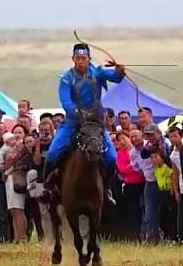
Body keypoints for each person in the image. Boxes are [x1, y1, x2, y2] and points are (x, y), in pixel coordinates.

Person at [44, 42, 125, 202]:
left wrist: (120, 71)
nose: (81, 61)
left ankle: (106, 189)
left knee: (111, 157)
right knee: (53, 152)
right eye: (78, 58)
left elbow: (115, 77)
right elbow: (66, 101)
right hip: (74, 121)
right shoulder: (66, 78)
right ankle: (47, 188)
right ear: (73, 59)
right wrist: (77, 112)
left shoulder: (98, 72)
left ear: (89, 58)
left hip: (95, 122)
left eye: (84, 58)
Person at [115, 132, 144, 241]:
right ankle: (134, 236)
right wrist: (135, 166)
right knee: (133, 211)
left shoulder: (138, 150)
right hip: (130, 185)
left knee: (144, 209)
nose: (122, 142)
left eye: (123, 138)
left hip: (143, 182)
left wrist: (133, 165)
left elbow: (144, 165)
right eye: (119, 140)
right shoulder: (120, 154)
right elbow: (123, 170)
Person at [150, 146, 176, 241]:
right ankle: (166, 236)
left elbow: (173, 175)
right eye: (152, 158)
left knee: (170, 215)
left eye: (156, 157)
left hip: (168, 192)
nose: (154, 160)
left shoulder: (166, 167)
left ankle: (173, 236)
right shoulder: (155, 169)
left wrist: (173, 188)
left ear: (162, 157)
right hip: (161, 193)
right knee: (162, 217)